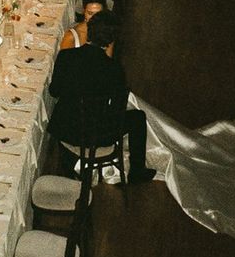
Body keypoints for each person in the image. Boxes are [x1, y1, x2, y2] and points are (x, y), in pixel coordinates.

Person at [48, 11, 156, 184]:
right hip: (96, 135)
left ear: (89, 31)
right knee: (138, 117)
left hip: (66, 129)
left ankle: (70, 162)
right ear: (110, 41)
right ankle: (137, 171)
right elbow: (115, 109)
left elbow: (54, 91)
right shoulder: (114, 69)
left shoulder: (66, 56)